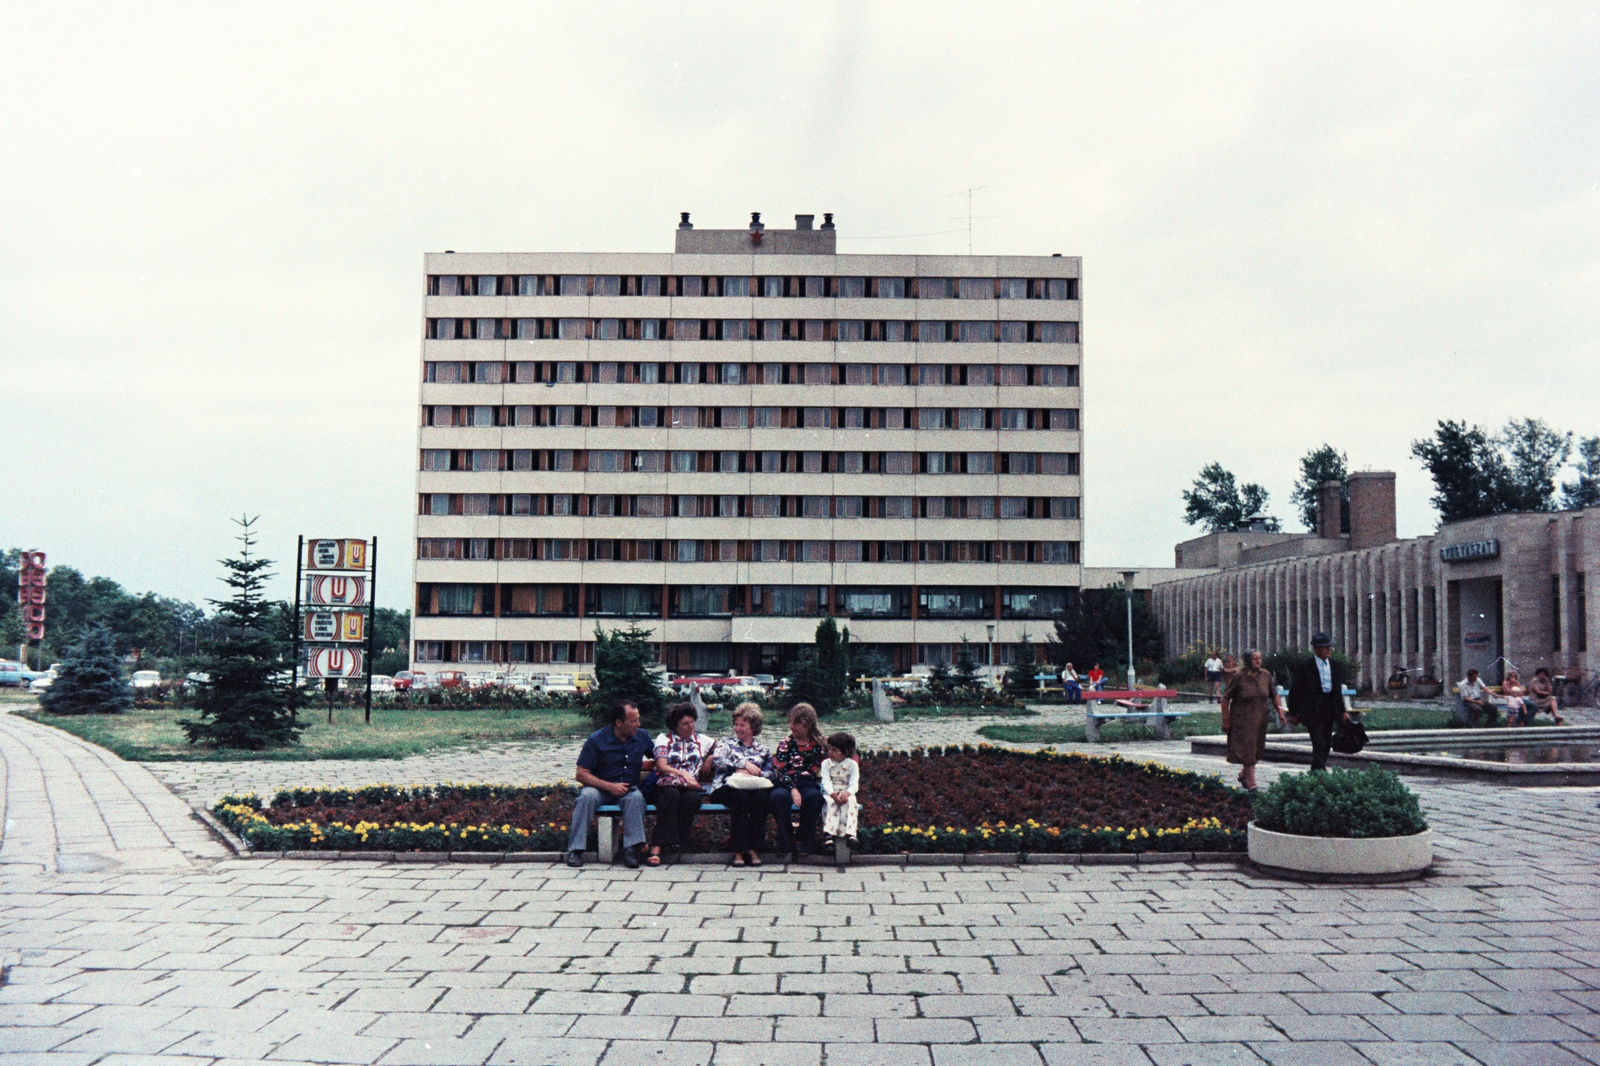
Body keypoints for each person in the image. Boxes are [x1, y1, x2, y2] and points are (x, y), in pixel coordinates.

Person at [567, 700, 654, 868]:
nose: (639, 724)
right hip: (599, 789)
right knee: (586, 797)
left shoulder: (642, 736)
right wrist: (610, 786)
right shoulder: (596, 740)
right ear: (619, 723)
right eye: (634, 720)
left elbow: (660, 757)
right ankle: (576, 850)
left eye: (638, 719)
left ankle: (631, 850)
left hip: (628, 789)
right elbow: (581, 774)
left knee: (636, 798)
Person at [707, 702, 774, 867]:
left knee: (761, 797)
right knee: (741, 797)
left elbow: (770, 773)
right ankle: (738, 850)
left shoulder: (763, 749)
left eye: (742, 725)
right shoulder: (725, 743)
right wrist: (742, 765)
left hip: (754, 787)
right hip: (724, 787)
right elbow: (719, 762)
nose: (737, 728)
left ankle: (753, 847)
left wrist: (755, 772)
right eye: (736, 724)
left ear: (753, 727)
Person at [645, 702, 712, 866]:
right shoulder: (664, 739)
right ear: (675, 725)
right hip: (665, 785)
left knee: (693, 800)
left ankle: (676, 842)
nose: (691, 727)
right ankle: (657, 846)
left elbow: (722, 747)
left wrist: (709, 759)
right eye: (685, 724)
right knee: (671, 795)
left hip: (689, 787)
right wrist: (683, 773)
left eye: (692, 722)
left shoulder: (701, 740)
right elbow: (661, 765)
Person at [1221, 649, 1286, 790]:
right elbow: (1225, 698)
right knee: (1249, 748)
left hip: (1260, 718)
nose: (1258, 661)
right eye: (1255, 659)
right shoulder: (1239, 676)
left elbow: (1273, 694)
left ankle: (1244, 774)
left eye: (1260, 658)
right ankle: (1252, 783)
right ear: (1248, 661)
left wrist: (1280, 712)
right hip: (1242, 719)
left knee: (1257, 749)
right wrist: (1225, 718)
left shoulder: (1266, 675)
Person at [767, 703, 826, 858]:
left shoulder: (820, 744)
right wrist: (792, 788)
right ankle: (785, 840)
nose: (791, 726)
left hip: (807, 783)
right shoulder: (785, 743)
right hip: (786, 783)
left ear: (807, 725)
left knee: (814, 798)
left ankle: (803, 841)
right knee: (778, 797)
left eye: (796, 723)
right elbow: (781, 770)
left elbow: (847, 751)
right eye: (790, 722)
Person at [1287, 633, 1348, 771]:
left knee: (1326, 743)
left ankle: (1317, 770)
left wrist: (1342, 711)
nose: (1329, 649)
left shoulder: (1334, 665)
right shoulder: (1305, 666)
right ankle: (1319, 771)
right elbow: (1295, 690)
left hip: (1329, 709)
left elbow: (1337, 691)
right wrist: (1293, 713)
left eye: (1329, 646)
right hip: (1312, 711)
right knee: (1319, 741)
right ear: (1316, 649)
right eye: (1325, 647)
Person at [820, 731, 861, 846]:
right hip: (831, 792)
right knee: (829, 802)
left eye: (834, 750)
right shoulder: (826, 764)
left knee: (851, 802)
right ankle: (828, 834)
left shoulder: (852, 765)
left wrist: (848, 793)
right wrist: (832, 793)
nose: (830, 752)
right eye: (829, 749)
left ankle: (850, 833)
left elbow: (854, 784)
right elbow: (826, 781)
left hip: (846, 792)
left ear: (845, 752)